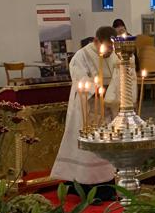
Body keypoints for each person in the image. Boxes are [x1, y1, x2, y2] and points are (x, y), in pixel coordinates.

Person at [51, 26, 133, 195]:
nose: (110, 51)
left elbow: (119, 75)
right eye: (108, 47)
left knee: (107, 147)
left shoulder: (113, 55)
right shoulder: (81, 56)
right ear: (96, 41)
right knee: (88, 150)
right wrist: (99, 90)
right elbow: (80, 79)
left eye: (112, 47)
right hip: (87, 109)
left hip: (108, 110)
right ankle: (84, 186)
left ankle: (108, 185)